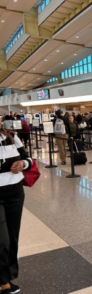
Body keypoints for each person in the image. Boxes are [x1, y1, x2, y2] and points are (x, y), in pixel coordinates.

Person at [0, 118, 32, 294]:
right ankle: (3, 282)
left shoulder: (11, 137)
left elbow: (28, 159)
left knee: (12, 236)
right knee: (2, 239)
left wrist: (22, 164)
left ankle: (8, 276)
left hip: (15, 192)